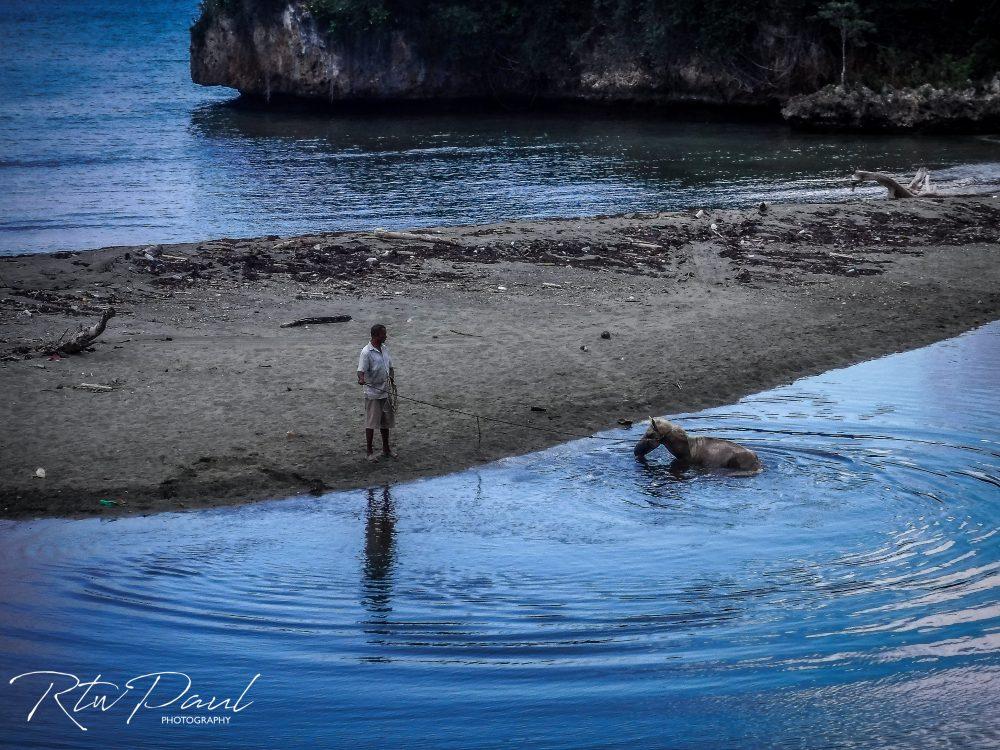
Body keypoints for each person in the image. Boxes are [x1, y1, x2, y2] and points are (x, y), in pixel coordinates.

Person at [357, 323, 396, 462]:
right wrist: (361, 379)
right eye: (383, 334)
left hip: (385, 391)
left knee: (385, 422)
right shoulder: (366, 352)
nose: (385, 336)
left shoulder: (384, 349)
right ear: (375, 336)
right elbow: (360, 371)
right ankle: (369, 452)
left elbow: (390, 366)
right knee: (371, 423)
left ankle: (386, 449)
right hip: (373, 393)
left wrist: (391, 377)